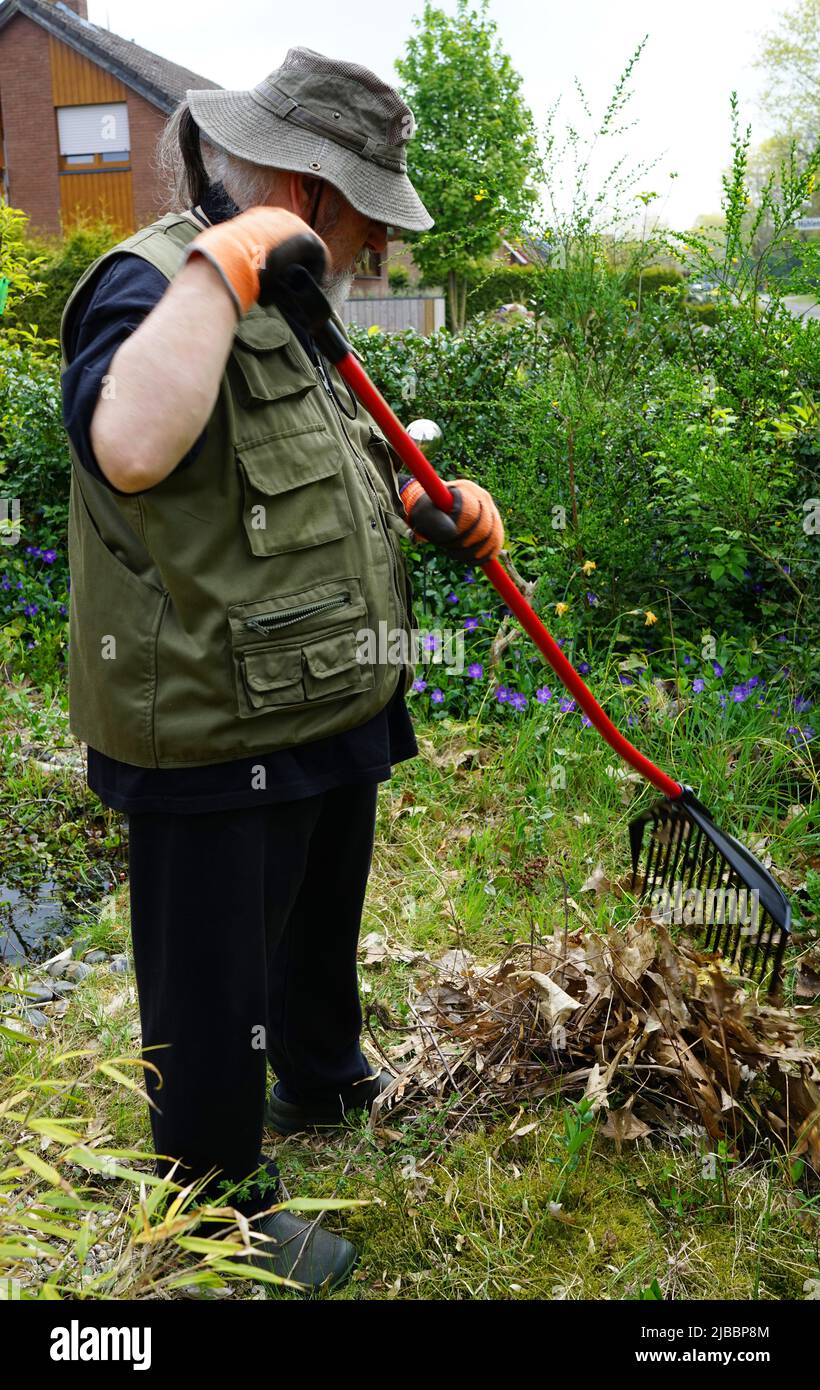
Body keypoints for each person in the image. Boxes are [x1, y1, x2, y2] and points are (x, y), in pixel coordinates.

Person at [60, 46, 504, 1292]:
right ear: (308, 194)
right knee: (214, 980)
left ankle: (321, 1074)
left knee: (318, 920)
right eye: (365, 220)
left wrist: (430, 499)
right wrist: (225, 258)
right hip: (210, 713)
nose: (373, 251)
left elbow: (311, 455)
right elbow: (136, 448)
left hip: (320, 688)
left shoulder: (295, 298)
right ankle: (216, 1209)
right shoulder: (154, 284)